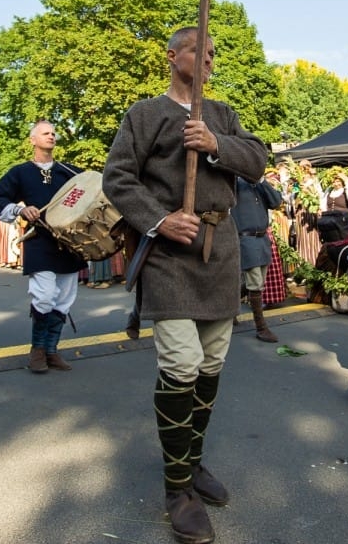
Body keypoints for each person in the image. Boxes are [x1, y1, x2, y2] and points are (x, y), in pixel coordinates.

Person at [103, 27, 267, 544]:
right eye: (201, 50)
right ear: (173, 56)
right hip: (170, 256)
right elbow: (118, 178)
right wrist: (159, 219)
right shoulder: (145, 114)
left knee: (212, 364)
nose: (210, 59)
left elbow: (258, 161)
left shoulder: (221, 115)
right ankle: (178, 489)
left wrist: (216, 144)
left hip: (218, 254)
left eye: (215, 53)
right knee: (181, 364)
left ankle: (191, 462)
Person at [0, 120, 84, 374]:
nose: (51, 136)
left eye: (53, 133)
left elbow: (92, 194)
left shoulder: (70, 172)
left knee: (63, 300)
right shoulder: (19, 172)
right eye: (45, 133)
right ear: (32, 140)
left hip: (70, 244)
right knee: (43, 296)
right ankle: (37, 351)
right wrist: (21, 209)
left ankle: (51, 350)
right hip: (40, 241)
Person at [231, 175, 283, 343]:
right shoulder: (235, 182)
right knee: (255, 284)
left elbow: (276, 202)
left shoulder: (258, 184)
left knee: (255, 282)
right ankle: (261, 328)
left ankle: (228, 308)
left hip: (262, 239)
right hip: (246, 239)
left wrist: (261, 180)